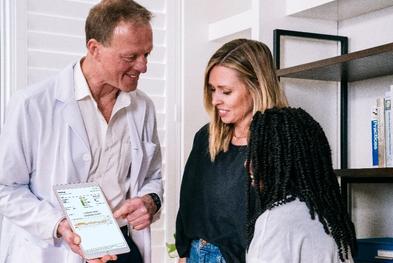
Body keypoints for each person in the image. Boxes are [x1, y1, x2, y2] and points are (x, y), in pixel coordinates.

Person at [0, 0, 163, 263]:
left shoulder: (143, 106)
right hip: (56, 249)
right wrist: (59, 225)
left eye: (147, 54)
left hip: (120, 247)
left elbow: (152, 176)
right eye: (131, 56)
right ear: (95, 48)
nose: (143, 66)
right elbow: (6, 189)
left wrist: (150, 201)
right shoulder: (32, 104)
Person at [175, 39, 288, 263]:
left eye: (226, 91)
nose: (215, 100)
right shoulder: (206, 137)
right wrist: (183, 253)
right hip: (197, 254)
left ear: (256, 87)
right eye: (212, 90)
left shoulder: (280, 143)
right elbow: (188, 203)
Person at [245, 107, 357, 263]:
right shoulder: (331, 219)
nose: (247, 164)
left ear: (276, 161)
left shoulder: (274, 222)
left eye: (256, 155)